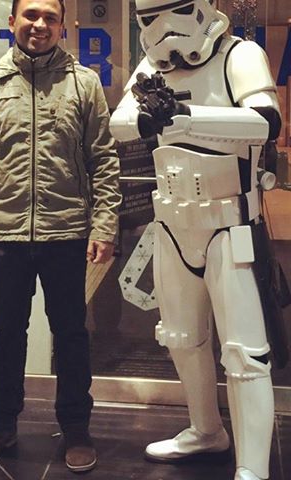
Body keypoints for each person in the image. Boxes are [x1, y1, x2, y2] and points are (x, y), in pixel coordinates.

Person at [110, 1, 285, 479]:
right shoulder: (151, 67)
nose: (164, 28)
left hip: (230, 224)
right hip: (171, 225)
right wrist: (147, 120)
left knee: (244, 354)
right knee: (182, 339)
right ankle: (206, 430)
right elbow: (120, 123)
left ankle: (252, 467)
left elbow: (266, 122)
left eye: (177, 10)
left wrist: (186, 116)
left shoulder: (238, 55)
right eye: (151, 17)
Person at [0, 0, 121, 472]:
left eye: (50, 17)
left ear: (62, 26)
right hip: (6, 236)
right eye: (30, 15)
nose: (39, 25)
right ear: (12, 21)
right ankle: (1, 426)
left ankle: (76, 427)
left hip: (67, 233)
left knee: (71, 334)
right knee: (7, 334)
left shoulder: (84, 83)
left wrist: (104, 224)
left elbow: (103, 161)